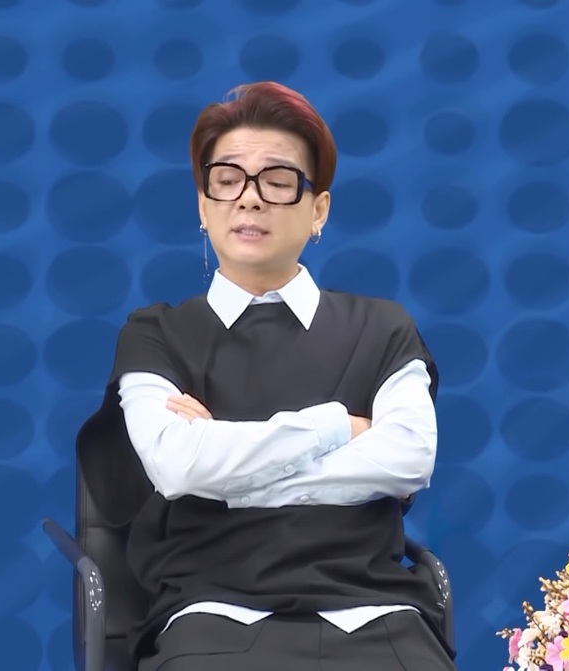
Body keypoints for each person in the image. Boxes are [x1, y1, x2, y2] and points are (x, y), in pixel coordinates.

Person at [86, 81, 456, 670]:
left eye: (278, 181)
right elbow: (176, 466)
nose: (249, 199)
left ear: (318, 210)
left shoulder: (383, 328)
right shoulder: (156, 335)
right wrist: (339, 427)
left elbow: (408, 458)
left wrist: (227, 472)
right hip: (211, 616)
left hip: (376, 612)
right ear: (203, 206)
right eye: (227, 179)